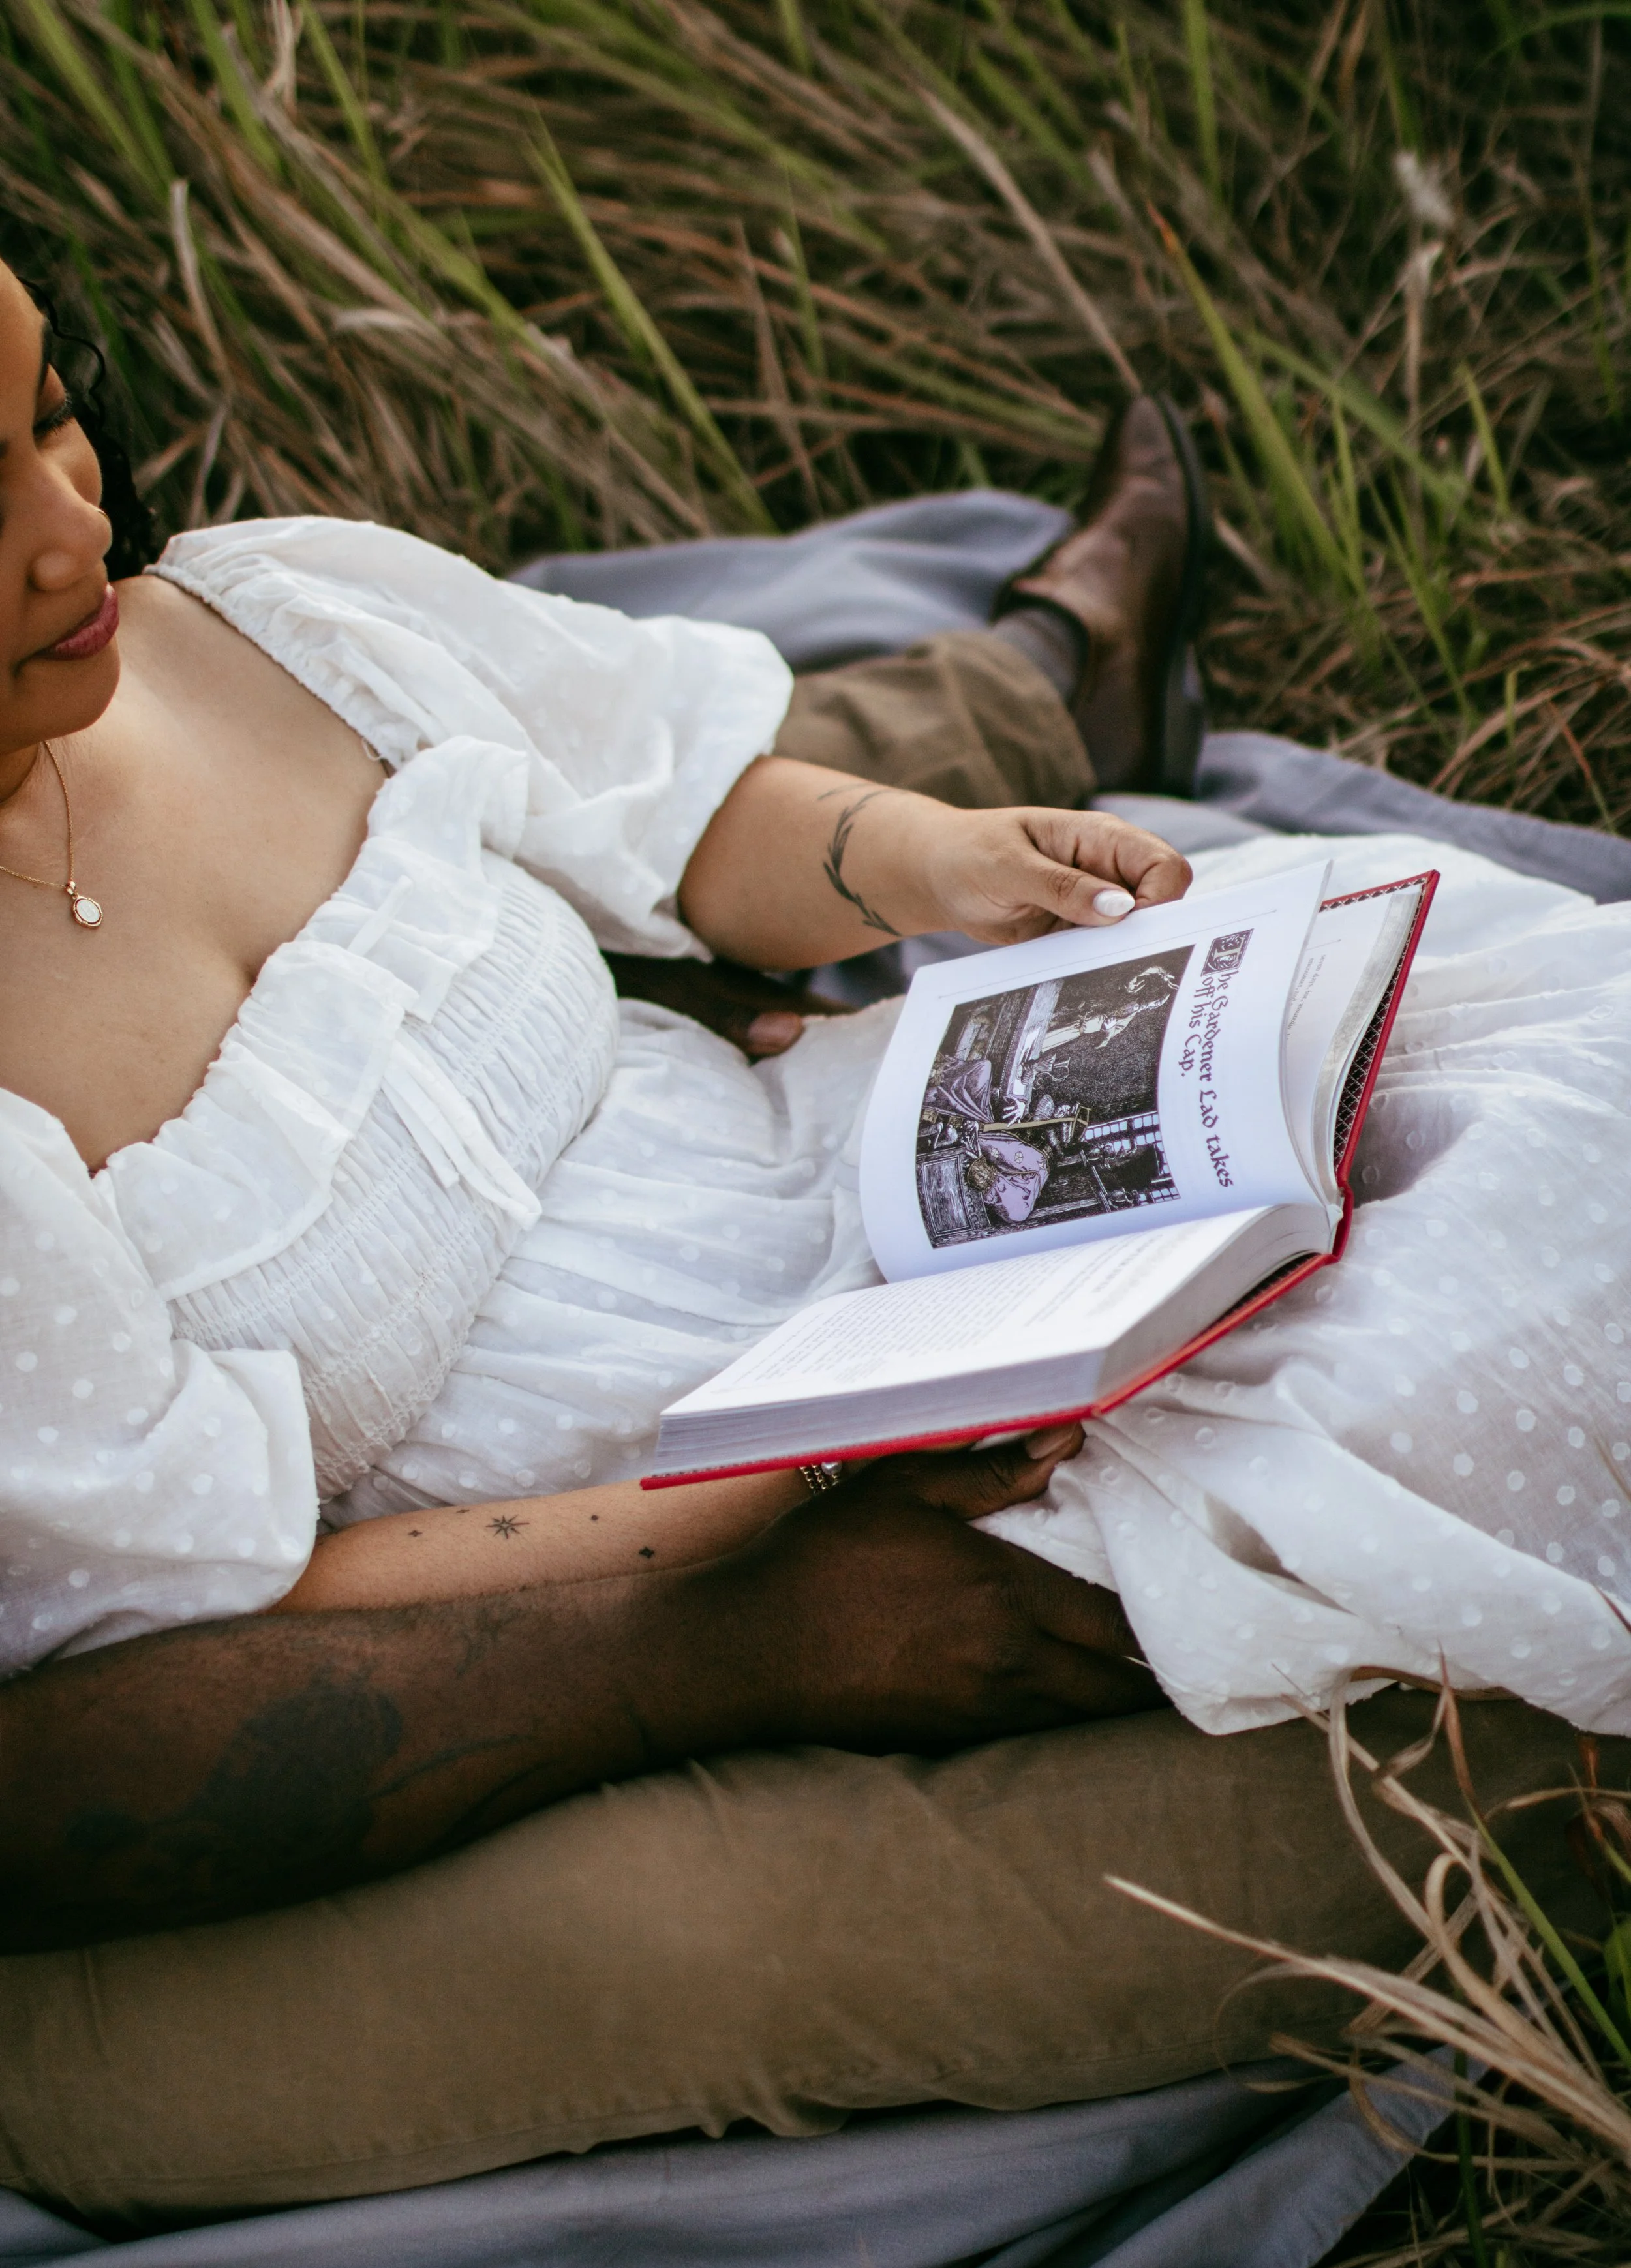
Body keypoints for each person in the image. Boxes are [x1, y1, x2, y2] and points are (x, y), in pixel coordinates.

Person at [0, 251, 1627, 1963]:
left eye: (51, 418)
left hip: (874, 1159)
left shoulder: (265, 616)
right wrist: (781, 1494)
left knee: (1546, 1076)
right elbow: (214, 1605)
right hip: (679, 1495)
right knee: (1426, 1392)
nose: (71, 532)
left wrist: (941, 857)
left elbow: (685, 818)